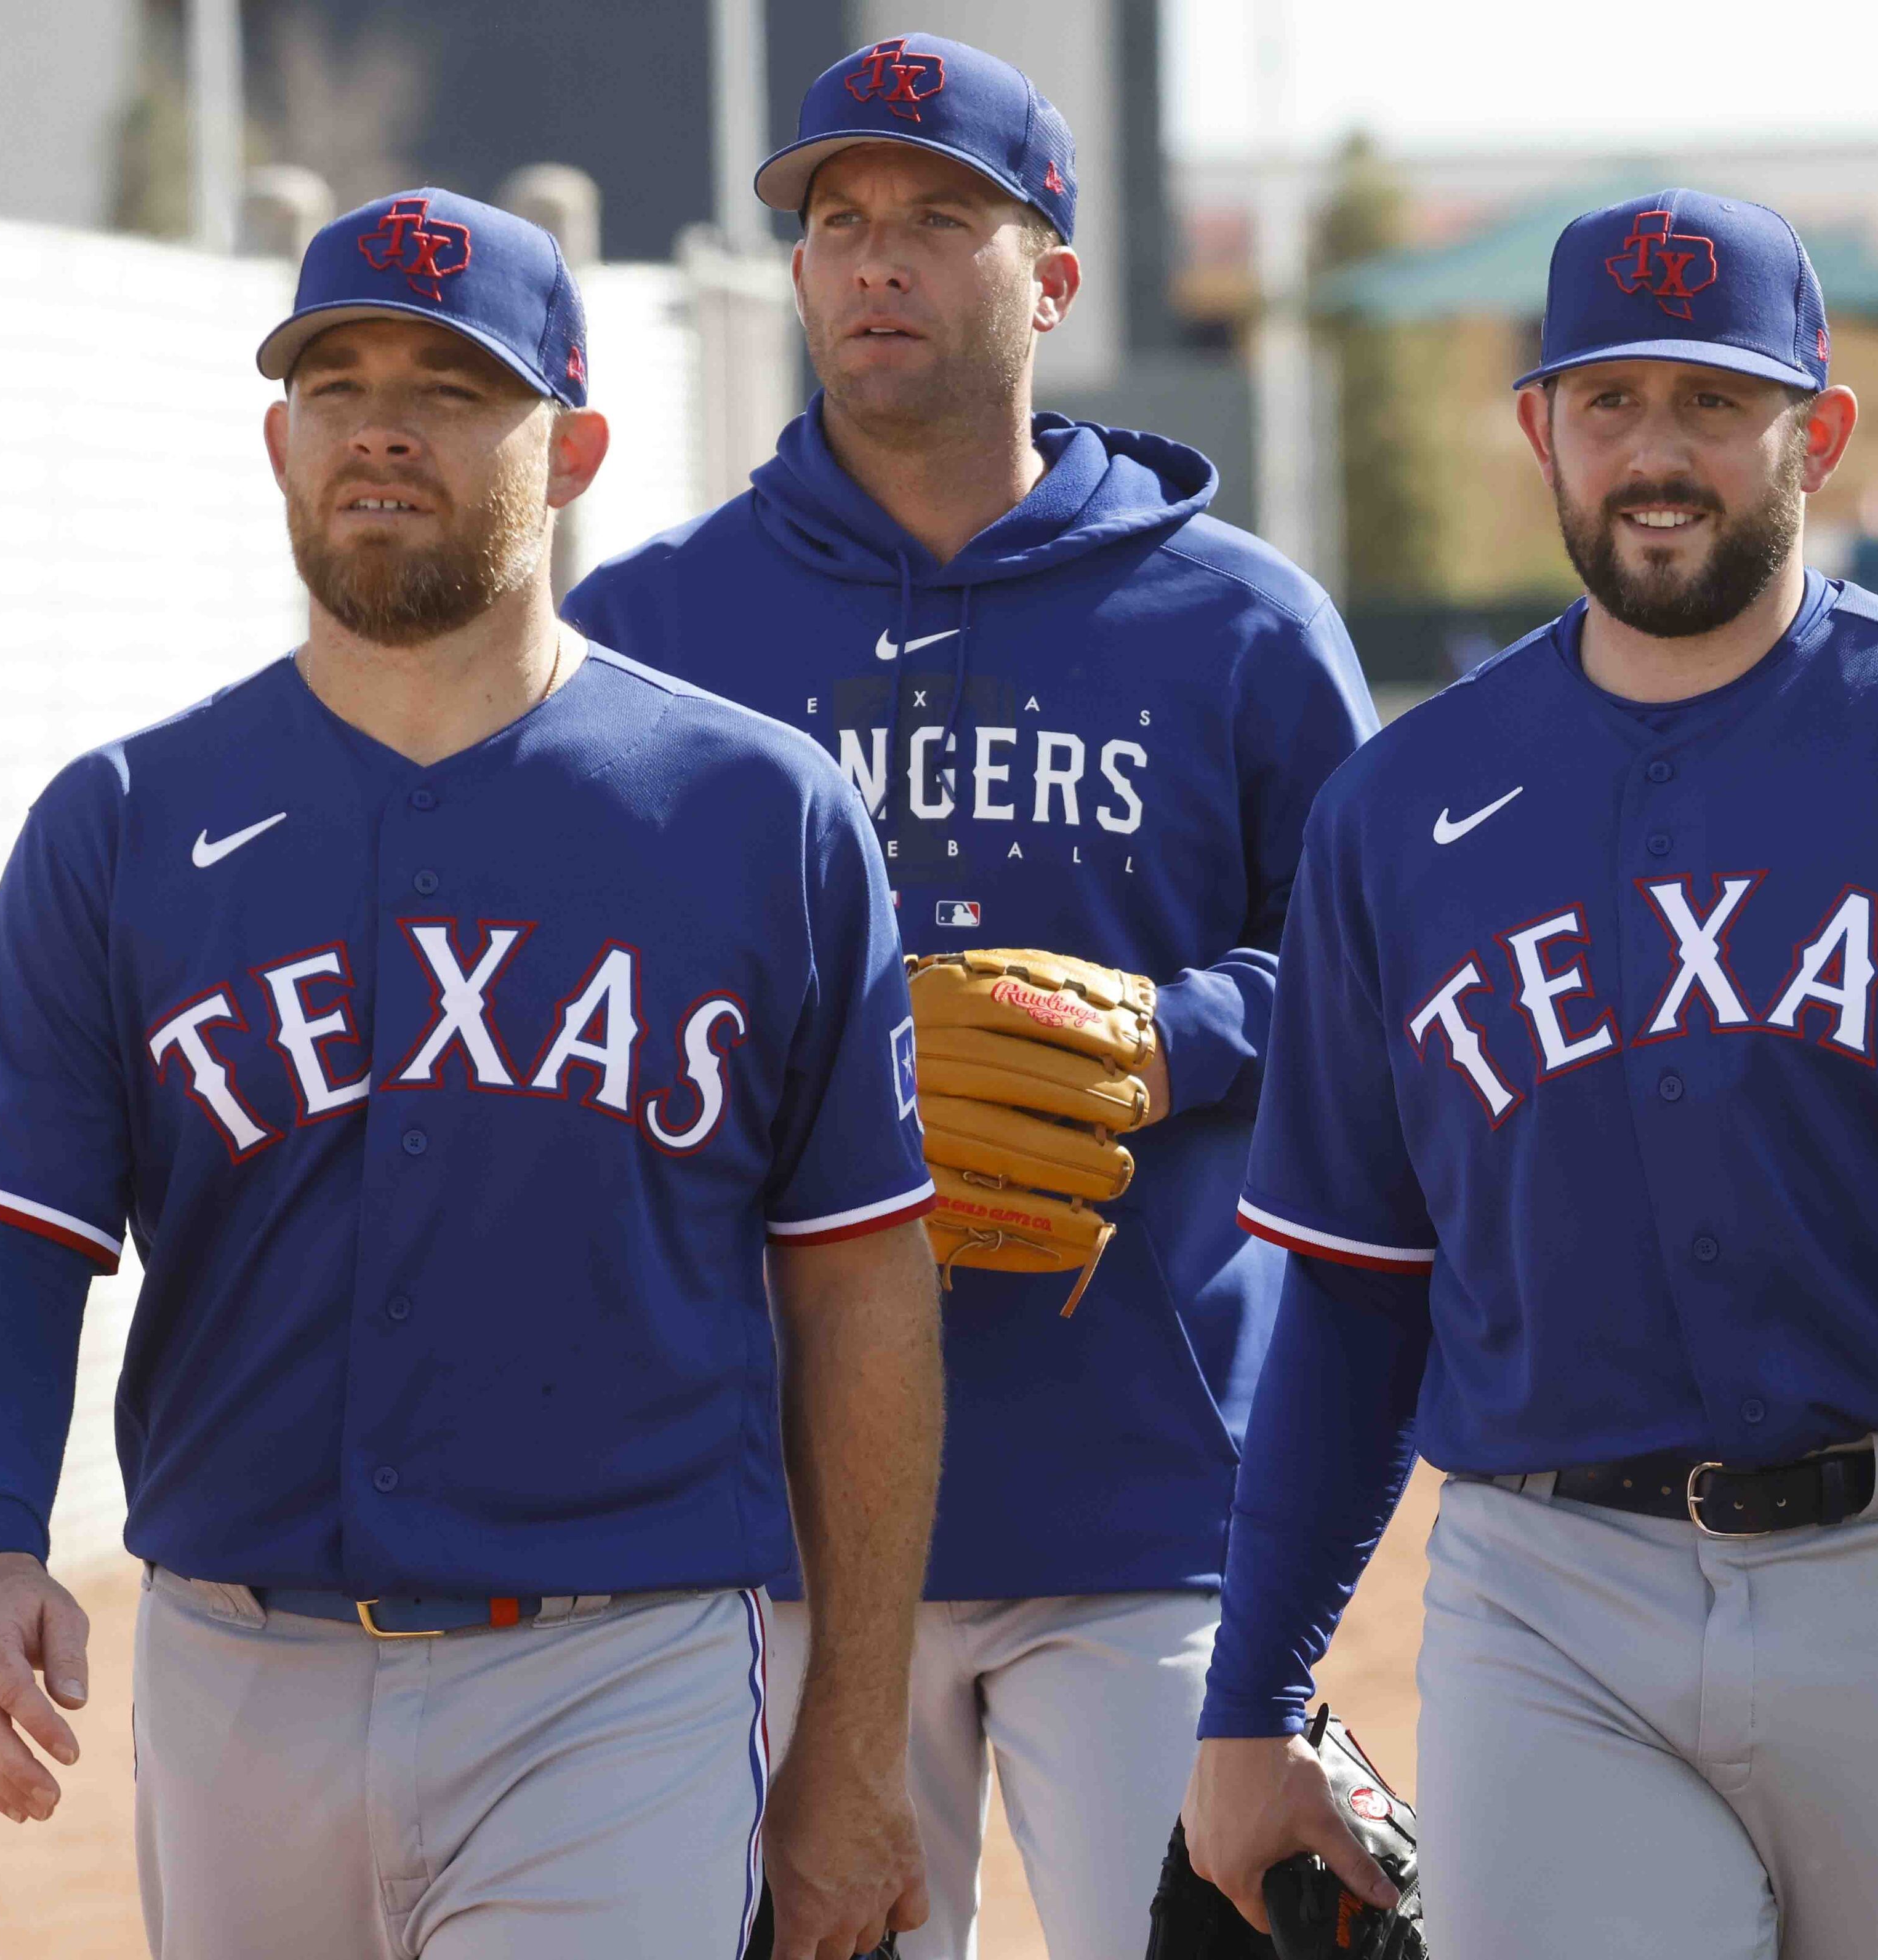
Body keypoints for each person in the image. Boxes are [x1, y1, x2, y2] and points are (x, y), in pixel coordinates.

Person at [1178, 190, 1878, 1960]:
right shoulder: (1401, 812)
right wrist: (1253, 1696)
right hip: (1552, 1595)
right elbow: (1357, 1299)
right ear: (1540, 431)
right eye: (1609, 403)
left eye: (1711, 405)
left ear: (1814, 431)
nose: (1655, 456)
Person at [0, 186, 942, 1960]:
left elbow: (861, 1295)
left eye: (454, 389)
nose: (383, 422)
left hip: (621, 1668)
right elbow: (3, 1239)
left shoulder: (761, 816)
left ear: (578, 445)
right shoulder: (129, 822)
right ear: (281, 438)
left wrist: (849, 1733)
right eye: (338, 379)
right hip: (240, 1664)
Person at [562, 34, 1376, 1960]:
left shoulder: (1241, 626)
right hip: (772, 1515)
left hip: (1149, 1492)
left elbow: (1379, 993)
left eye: (939, 218)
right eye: (838, 221)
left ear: (1056, 279)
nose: (875, 261)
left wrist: (1164, 1037)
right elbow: (568, 1012)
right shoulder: (656, 630)